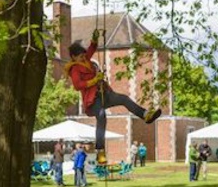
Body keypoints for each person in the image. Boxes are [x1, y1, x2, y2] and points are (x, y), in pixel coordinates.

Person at [66, 30, 162, 164]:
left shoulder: (86, 60)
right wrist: (94, 81)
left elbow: (91, 50)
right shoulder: (75, 69)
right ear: (73, 57)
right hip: (92, 100)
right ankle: (100, 151)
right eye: (80, 57)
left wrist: (94, 39)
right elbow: (77, 85)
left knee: (123, 98)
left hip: (104, 93)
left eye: (83, 55)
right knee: (101, 115)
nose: (83, 58)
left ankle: (145, 115)